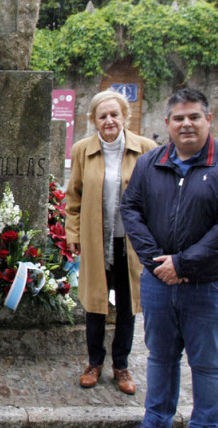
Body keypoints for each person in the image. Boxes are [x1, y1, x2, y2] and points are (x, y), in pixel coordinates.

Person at [120, 88, 218, 428]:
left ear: (208, 120)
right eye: (179, 118)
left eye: (194, 116)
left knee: (208, 364)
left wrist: (183, 264)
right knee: (160, 357)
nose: (186, 124)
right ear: (167, 123)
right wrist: (157, 263)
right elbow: (131, 209)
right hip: (159, 283)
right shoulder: (150, 164)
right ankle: (157, 421)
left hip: (211, 286)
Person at [65, 90, 156, 395]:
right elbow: (73, 196)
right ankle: (94, 362)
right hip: (95, 239)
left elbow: (156, 198)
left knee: (127, 305)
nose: (109, 121)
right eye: (102, 116)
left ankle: (121, 365)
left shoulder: (146, 149)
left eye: (114, 114)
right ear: (93, 120)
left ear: (124, 117)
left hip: (129, 242)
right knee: (95, 304)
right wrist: (73, 234)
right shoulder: (82, 150)